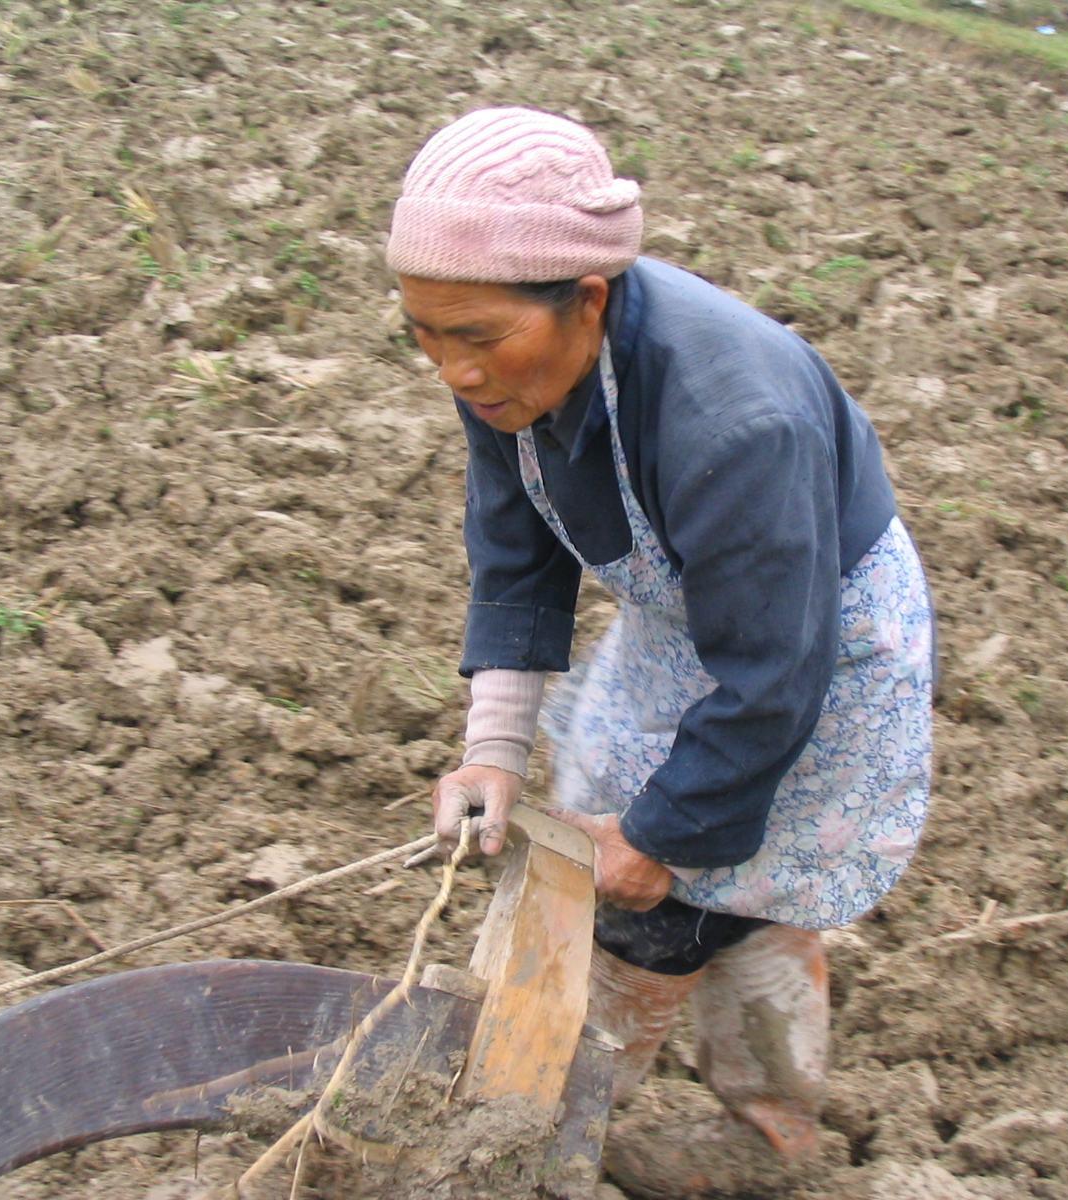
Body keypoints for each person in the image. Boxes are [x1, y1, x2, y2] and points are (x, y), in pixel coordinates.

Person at [387, 107, 934, 1197]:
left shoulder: (734, 419)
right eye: (421, 333)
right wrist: (492, 749)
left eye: (474, 339)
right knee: (685, 874)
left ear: (586, 299)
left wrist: (661, 839)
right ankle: (747, 1120)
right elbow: (517, 554)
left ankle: (537, 1142)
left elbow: (776, 676)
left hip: (810, 647)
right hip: (688, 625)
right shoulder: (504, 366)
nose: (450, 369)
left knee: (659, 902)